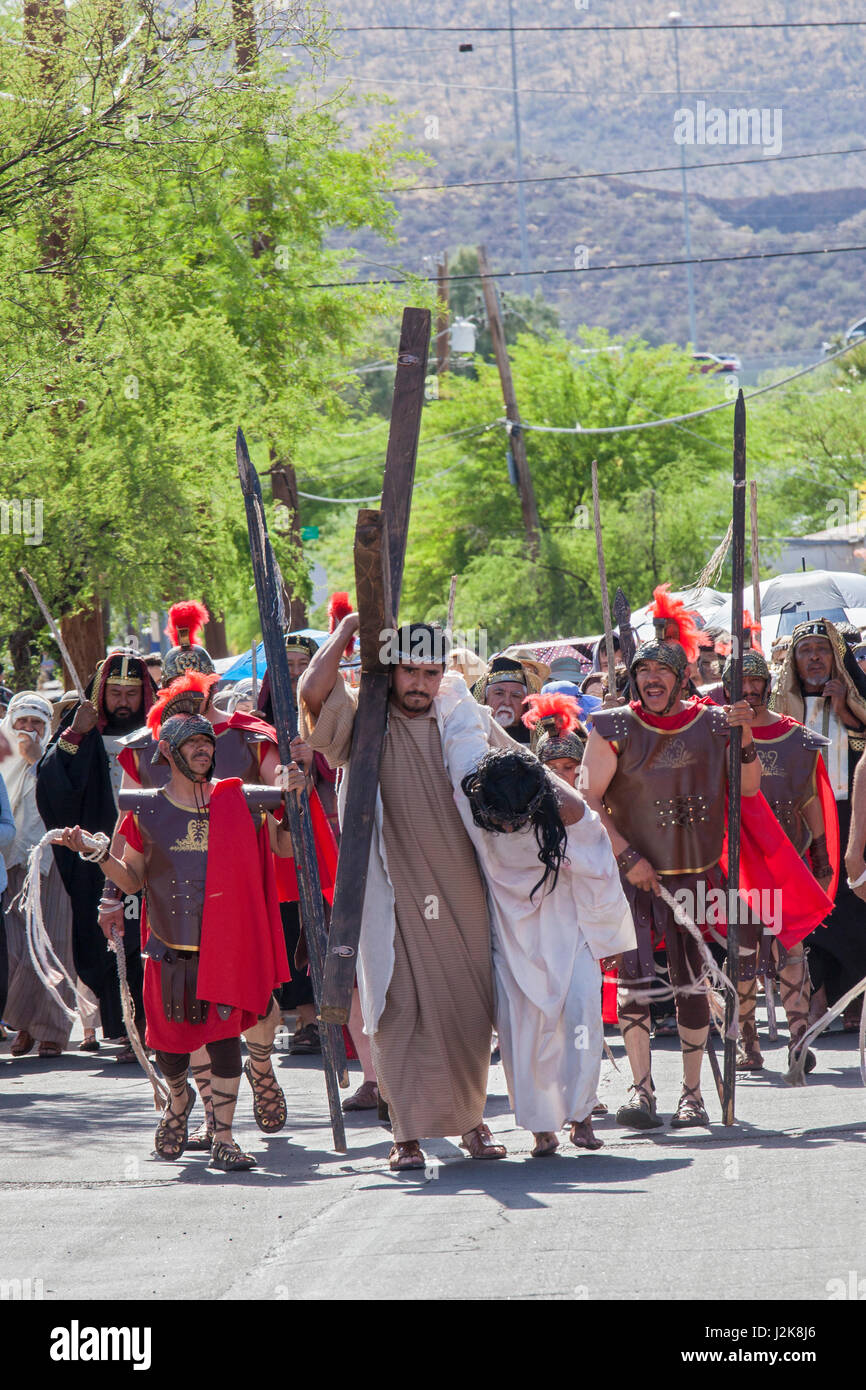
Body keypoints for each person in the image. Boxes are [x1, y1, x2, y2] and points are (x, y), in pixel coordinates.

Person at [299, 614, 510, 1171]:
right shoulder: (365, 719)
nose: (419, 682)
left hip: (461, 885)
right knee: (395, 1007)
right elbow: (312, 692)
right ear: (388, 671)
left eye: (430, 670)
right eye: (409, 670)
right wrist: (348, 627)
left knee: (468, 1008)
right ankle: (406, 1134)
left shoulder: (462, 715)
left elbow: (516, 776)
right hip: (387, 887)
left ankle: (472, 1122)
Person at [58, 707, 297, 1172]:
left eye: (207, 741)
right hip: (169, 949)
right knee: (170, 1047)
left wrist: (293, 808)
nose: (204, 749)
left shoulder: (242, 801)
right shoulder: (145, 807)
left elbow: (284, 850)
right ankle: (179, 1100)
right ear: (167, 751)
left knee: (227, 1041)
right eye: (192, 743)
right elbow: (131, 880)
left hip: (226, 949)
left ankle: (224, 1138)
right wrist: (98, 852)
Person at [116, 665, 335, 1142]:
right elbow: (129, 843)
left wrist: (292, 787)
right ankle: (215, 1113)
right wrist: (111, 892)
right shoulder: (147, 754)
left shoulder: (246, 738)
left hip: (242, 891)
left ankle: (259, 1068)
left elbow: (279, 797)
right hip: (174, 906)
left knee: (252, 1000)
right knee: (186, 1010)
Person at [581, 619, 762, 1129]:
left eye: (663, 670)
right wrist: (625, 857)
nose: (652, 678)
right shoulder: (611, 726)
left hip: (695, 876)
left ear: (683, 678)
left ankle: (692, 1095)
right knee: (635, 985)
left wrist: (743, 730)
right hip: (634, 875)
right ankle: (641, 1092)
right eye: (644, 671)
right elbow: (588, 801)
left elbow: (747, 787)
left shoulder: (713, 724)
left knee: (691, 983)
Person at [460, 748, 634, 1156]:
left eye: (517, 818)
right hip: (509, 931)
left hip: (569, 926)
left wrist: (609, 937)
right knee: (523, 1029)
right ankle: (542, 1128)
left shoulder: (569, 812)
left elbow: (600, 871)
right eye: (503, 819)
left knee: (581, 1017)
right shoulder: (471, 800)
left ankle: (582, 1115)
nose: (509, 825)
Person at [36, 650, 157, 1057]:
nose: (123, 701)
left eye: (132, 693)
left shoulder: (161, 731)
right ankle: (123, 1026)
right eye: (116, 692)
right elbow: (52, 785)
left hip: (152, 851)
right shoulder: (81, 730)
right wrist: (74, 734)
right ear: (102, 694)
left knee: (151, 938)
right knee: (108, 939)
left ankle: (152, 1023)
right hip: (98, 853)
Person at [720, 650, 837, 1072]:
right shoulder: (720, 732)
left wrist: (821, 856)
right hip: (738, 862)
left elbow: (808, 797)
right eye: (741, 684)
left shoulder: (796, 737)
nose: (749, 691)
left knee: (792, 949)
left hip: (785, 858)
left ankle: (799, 1038)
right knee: (744, 954)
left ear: (768, 685)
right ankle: (746, 1038)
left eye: (756, 683)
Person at [771, 618, 866, 1025]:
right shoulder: (782, 708)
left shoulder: (855, 699)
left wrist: (844, 708)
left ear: (836, 657)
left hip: (850, 818)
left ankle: (855, 999)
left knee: (852, 909)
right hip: (800, 822)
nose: (814, 658)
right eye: (806, 651)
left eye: (822, 650)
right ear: (794, 661)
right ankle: (816, 997)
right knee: (809, 910)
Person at [2, 693, 76, 1058]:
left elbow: (64, 800)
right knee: (15, 949)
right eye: (21, 723)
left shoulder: (56, 758)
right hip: (9, 865)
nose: (28, 730)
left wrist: (36, 764)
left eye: (36, 724)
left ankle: (50, 1030)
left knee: (53, 944)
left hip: (52, 862)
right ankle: (23, 1021)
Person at [471, 655, 543, 744]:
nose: (507, 702)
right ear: (484, 698)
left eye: (515, 696)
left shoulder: (539, 741)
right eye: (499, 694)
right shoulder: (467, 736)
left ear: (526, 705)